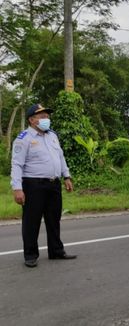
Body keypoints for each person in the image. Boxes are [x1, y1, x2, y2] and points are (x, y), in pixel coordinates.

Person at [10, 104, 76, 268]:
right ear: (32, 120)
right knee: (32, 221)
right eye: (42, 116)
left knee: (54, 219)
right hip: (33, 185)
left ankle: (56, 251)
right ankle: (30, 254)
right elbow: (17, 164)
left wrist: (66, 176)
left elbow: (60, 157)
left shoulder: (52, 135)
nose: (46, 119)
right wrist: (17, 188)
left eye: (47, 116)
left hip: (53, 184)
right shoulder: (23, 138)